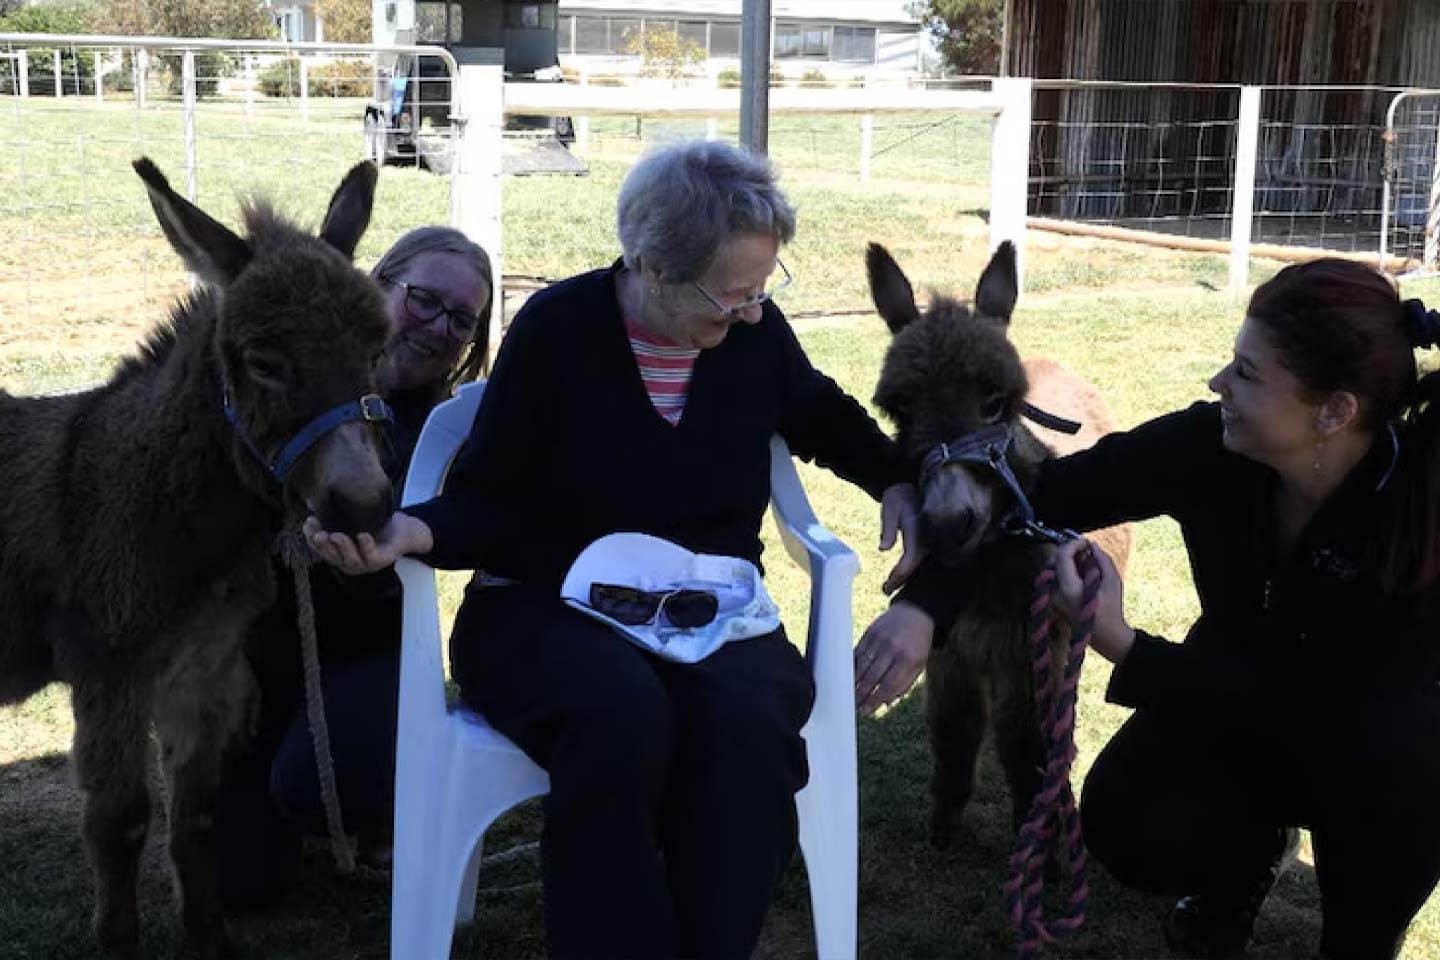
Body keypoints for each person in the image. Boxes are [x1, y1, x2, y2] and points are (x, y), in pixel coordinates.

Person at [305, 139, 922, 959]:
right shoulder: (559, 329)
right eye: (730, 292)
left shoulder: (756, 337)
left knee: (749, 728)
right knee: (618, 717)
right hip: (543, 604)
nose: (750, 311)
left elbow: (823, 415)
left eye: (763, 287)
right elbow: (492, 496)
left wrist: (897, 479)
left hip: (713, 610)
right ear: (654, 268)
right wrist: (414, 532)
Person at [857, 257, 1440, 958]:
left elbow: (1335, 718)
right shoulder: (1211, 447)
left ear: (1334, 411)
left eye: (1246, 374)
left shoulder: (1418, 515)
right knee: (1129, 814)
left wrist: (1129, 648)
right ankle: (1240, 867)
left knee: (1389, 821)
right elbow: (1039, 496)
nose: (1217, 383)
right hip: (1239, 699)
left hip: (1379, 757)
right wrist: (925, 608)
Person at [219, 226, 493, 913]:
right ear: (378, 286)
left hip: (373, 654)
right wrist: (222, 657)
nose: (438, 328)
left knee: (315, 787)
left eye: (461, 320)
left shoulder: (457, 432)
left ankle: (374, 794)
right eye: (425, 300)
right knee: (241, 886)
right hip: (255, 643)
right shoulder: (285, 386)